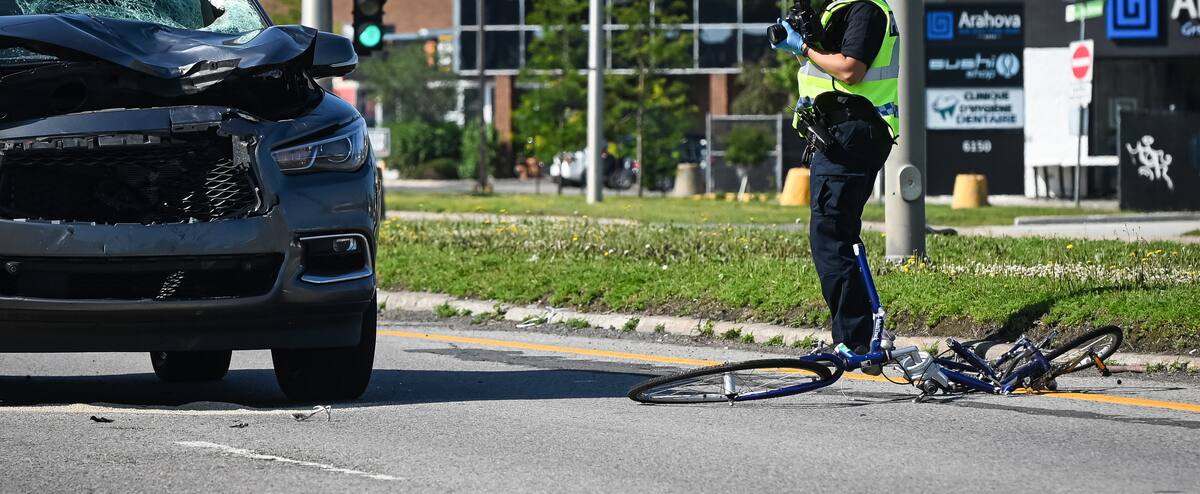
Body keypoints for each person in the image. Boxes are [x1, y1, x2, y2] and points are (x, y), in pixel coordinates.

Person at [772, 0, 899, 361]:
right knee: (837, 234)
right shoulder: (841, 8)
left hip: (851, 133)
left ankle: (856, 341)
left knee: (831, 235)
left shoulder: (865, 10)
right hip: (841, 132)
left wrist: (804, 47)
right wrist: (804, 46)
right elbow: (830, 68)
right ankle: (861, 336)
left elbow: (849, 70)